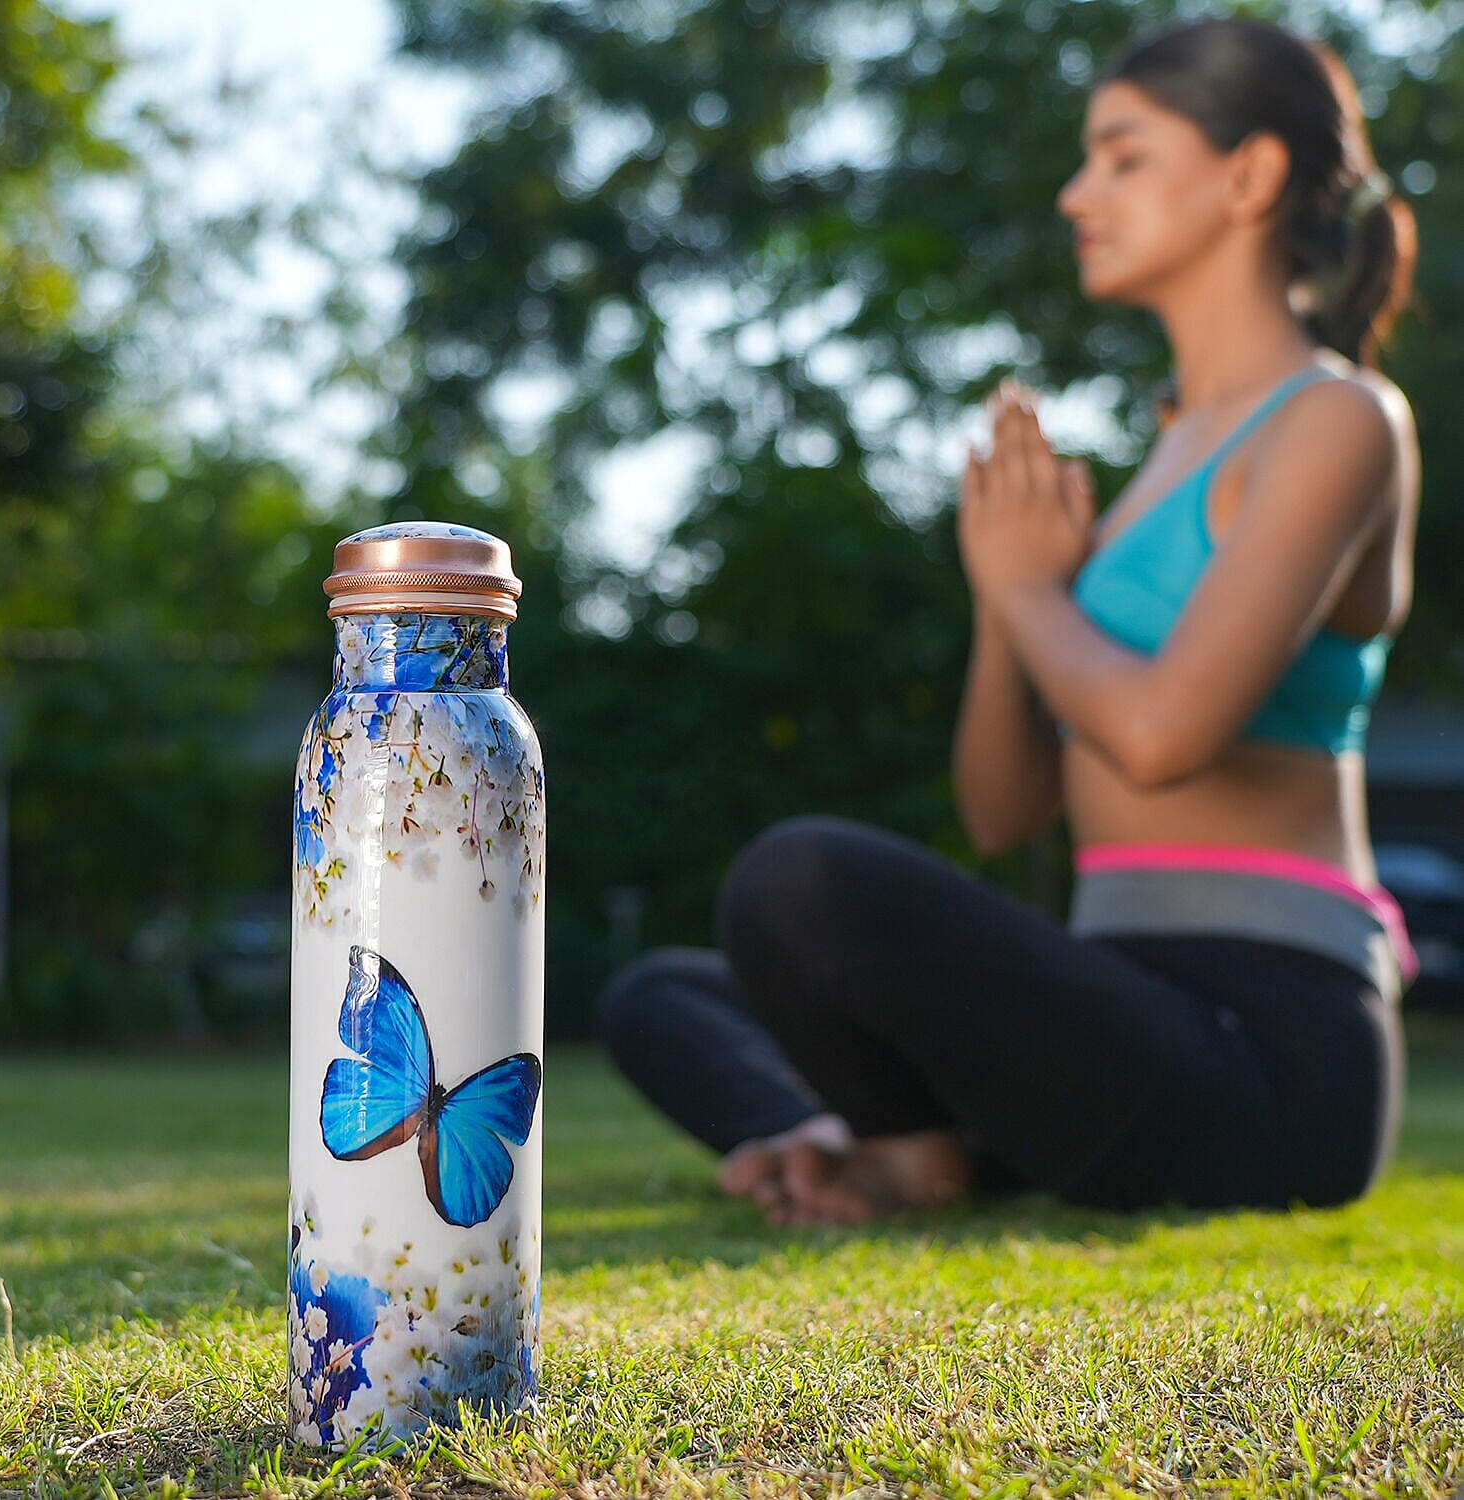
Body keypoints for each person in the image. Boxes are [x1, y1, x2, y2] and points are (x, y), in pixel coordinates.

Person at [595, 16, 1423, 1226]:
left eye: (1124, 156)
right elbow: (1005, 810)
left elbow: (1157, 738)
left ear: (1249, 175)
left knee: (801, 877)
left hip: (1268, 1048)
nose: (1076, 191)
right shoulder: (1160, 458)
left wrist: (1036, 588)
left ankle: (901, 1144)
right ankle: (887, 1147)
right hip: (1108, 1012)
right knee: (661, 993)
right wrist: (1004, 593)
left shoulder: (1339, 422)